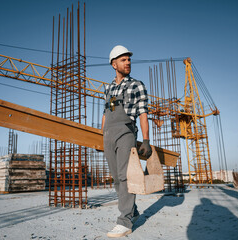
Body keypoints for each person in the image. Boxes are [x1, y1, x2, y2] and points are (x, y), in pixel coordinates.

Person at [101, 45, 152, 238]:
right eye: (123, 60)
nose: (128, 62)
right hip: (109, 134)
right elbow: (106, 113)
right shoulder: (109, 88)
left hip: (126, 132)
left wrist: (145, 140)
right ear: (114, 64)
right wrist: (102, 135)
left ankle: (124, 221)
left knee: (125, 176)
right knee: (116, 178)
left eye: (129, 59)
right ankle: (134, 211)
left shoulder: (136, 85)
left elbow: (143, 113)